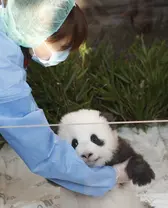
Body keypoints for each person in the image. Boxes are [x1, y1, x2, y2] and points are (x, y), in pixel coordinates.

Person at [0, 0, 128, 197]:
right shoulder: (3, 67)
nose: (63, 55)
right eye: (63, 47)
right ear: (38, 29)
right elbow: (43, 151)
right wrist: (107, 177)